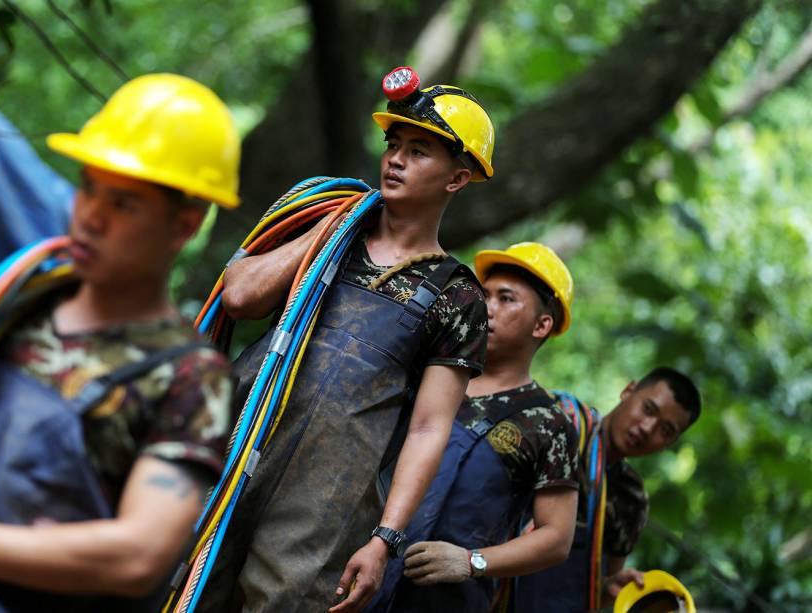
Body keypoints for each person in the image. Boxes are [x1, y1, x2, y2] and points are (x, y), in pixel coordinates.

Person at [0, 73, 241, 612]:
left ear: (184, 226)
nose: (90, 217)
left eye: (124, 204)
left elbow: (139, 556)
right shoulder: (12, 302)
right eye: (87, 187)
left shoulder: (190, 377)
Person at [199, 67, 494, 613]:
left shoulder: (459, 298)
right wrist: (333, 228)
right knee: (177, 584)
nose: (396, 159)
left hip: (325, 506)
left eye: (420, 150)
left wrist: (386, 538)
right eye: (394, 143)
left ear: (456, 178)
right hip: (232, 448)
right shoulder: (323, 227)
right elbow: (238, 298)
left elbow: (430, 428)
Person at [366, 242, 580, 612]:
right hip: (361, 566)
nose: (487, 308)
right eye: (486, 295)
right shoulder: (427, 372)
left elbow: (556, 537)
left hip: (445, 602)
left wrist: (472, 561)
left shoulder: (549, 423)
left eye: (507, 299)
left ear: (542, 324)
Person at [513, 367, 702, 612]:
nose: (647, 428)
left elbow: (597, 596)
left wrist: (611, 589)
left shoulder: (630, 498)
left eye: (665, 430)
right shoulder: (557, 424)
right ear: (628, 391)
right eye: (648, 409)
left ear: (670, 444)